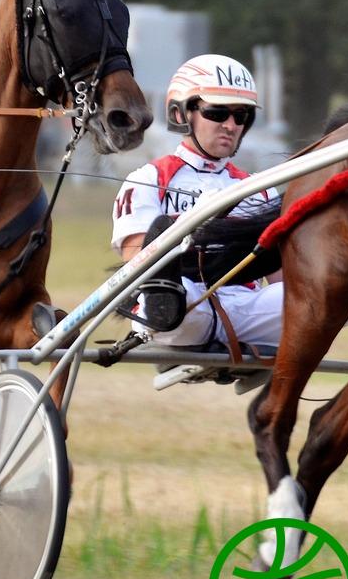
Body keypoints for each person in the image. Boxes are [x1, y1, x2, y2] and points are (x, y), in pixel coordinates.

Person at [111, 54, 282, 389]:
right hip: (182, 301)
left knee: (325, 295)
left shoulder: (261, 190)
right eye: (217, 113)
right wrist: (189, 225)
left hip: (245, 310)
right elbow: (134, 259)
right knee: (173, 293)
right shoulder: (148, 178)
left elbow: (281, 278)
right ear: (181, 113)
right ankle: (169, 315)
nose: (231, 125)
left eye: (241, 115)